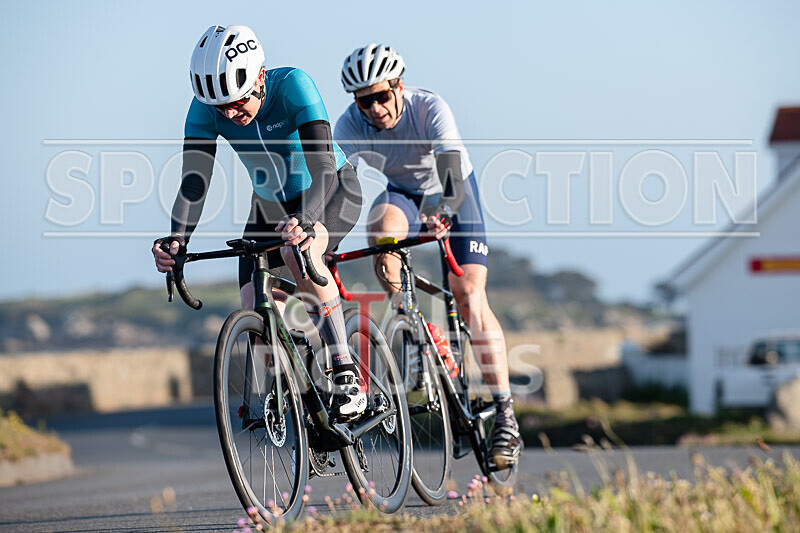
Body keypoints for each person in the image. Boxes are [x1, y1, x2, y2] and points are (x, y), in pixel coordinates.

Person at [152, 25, 366, 420]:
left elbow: (323, 169)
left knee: (300, 252)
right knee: (255, 303)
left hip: (332, 190)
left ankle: (345, 373)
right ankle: (306, 401)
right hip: (269, 207)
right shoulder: (204, 109)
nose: (231, 114)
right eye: (221, 109)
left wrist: (308, 220)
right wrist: (177, 238)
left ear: (260, 77)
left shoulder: (293, 86)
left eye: (237, 102)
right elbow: (194, 182)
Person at [334, 44, 522, 466]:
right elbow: (332, 181)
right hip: (403, 193)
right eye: (365, 101)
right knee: (382, 233)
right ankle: (415, 326)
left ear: (399, 87)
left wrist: (442, 212)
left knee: (468, 294)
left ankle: (506, 416)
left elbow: (452, 177)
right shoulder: (349, 125)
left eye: (382, 96)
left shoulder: (430, 108)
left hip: (450, 190)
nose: (376, 108)